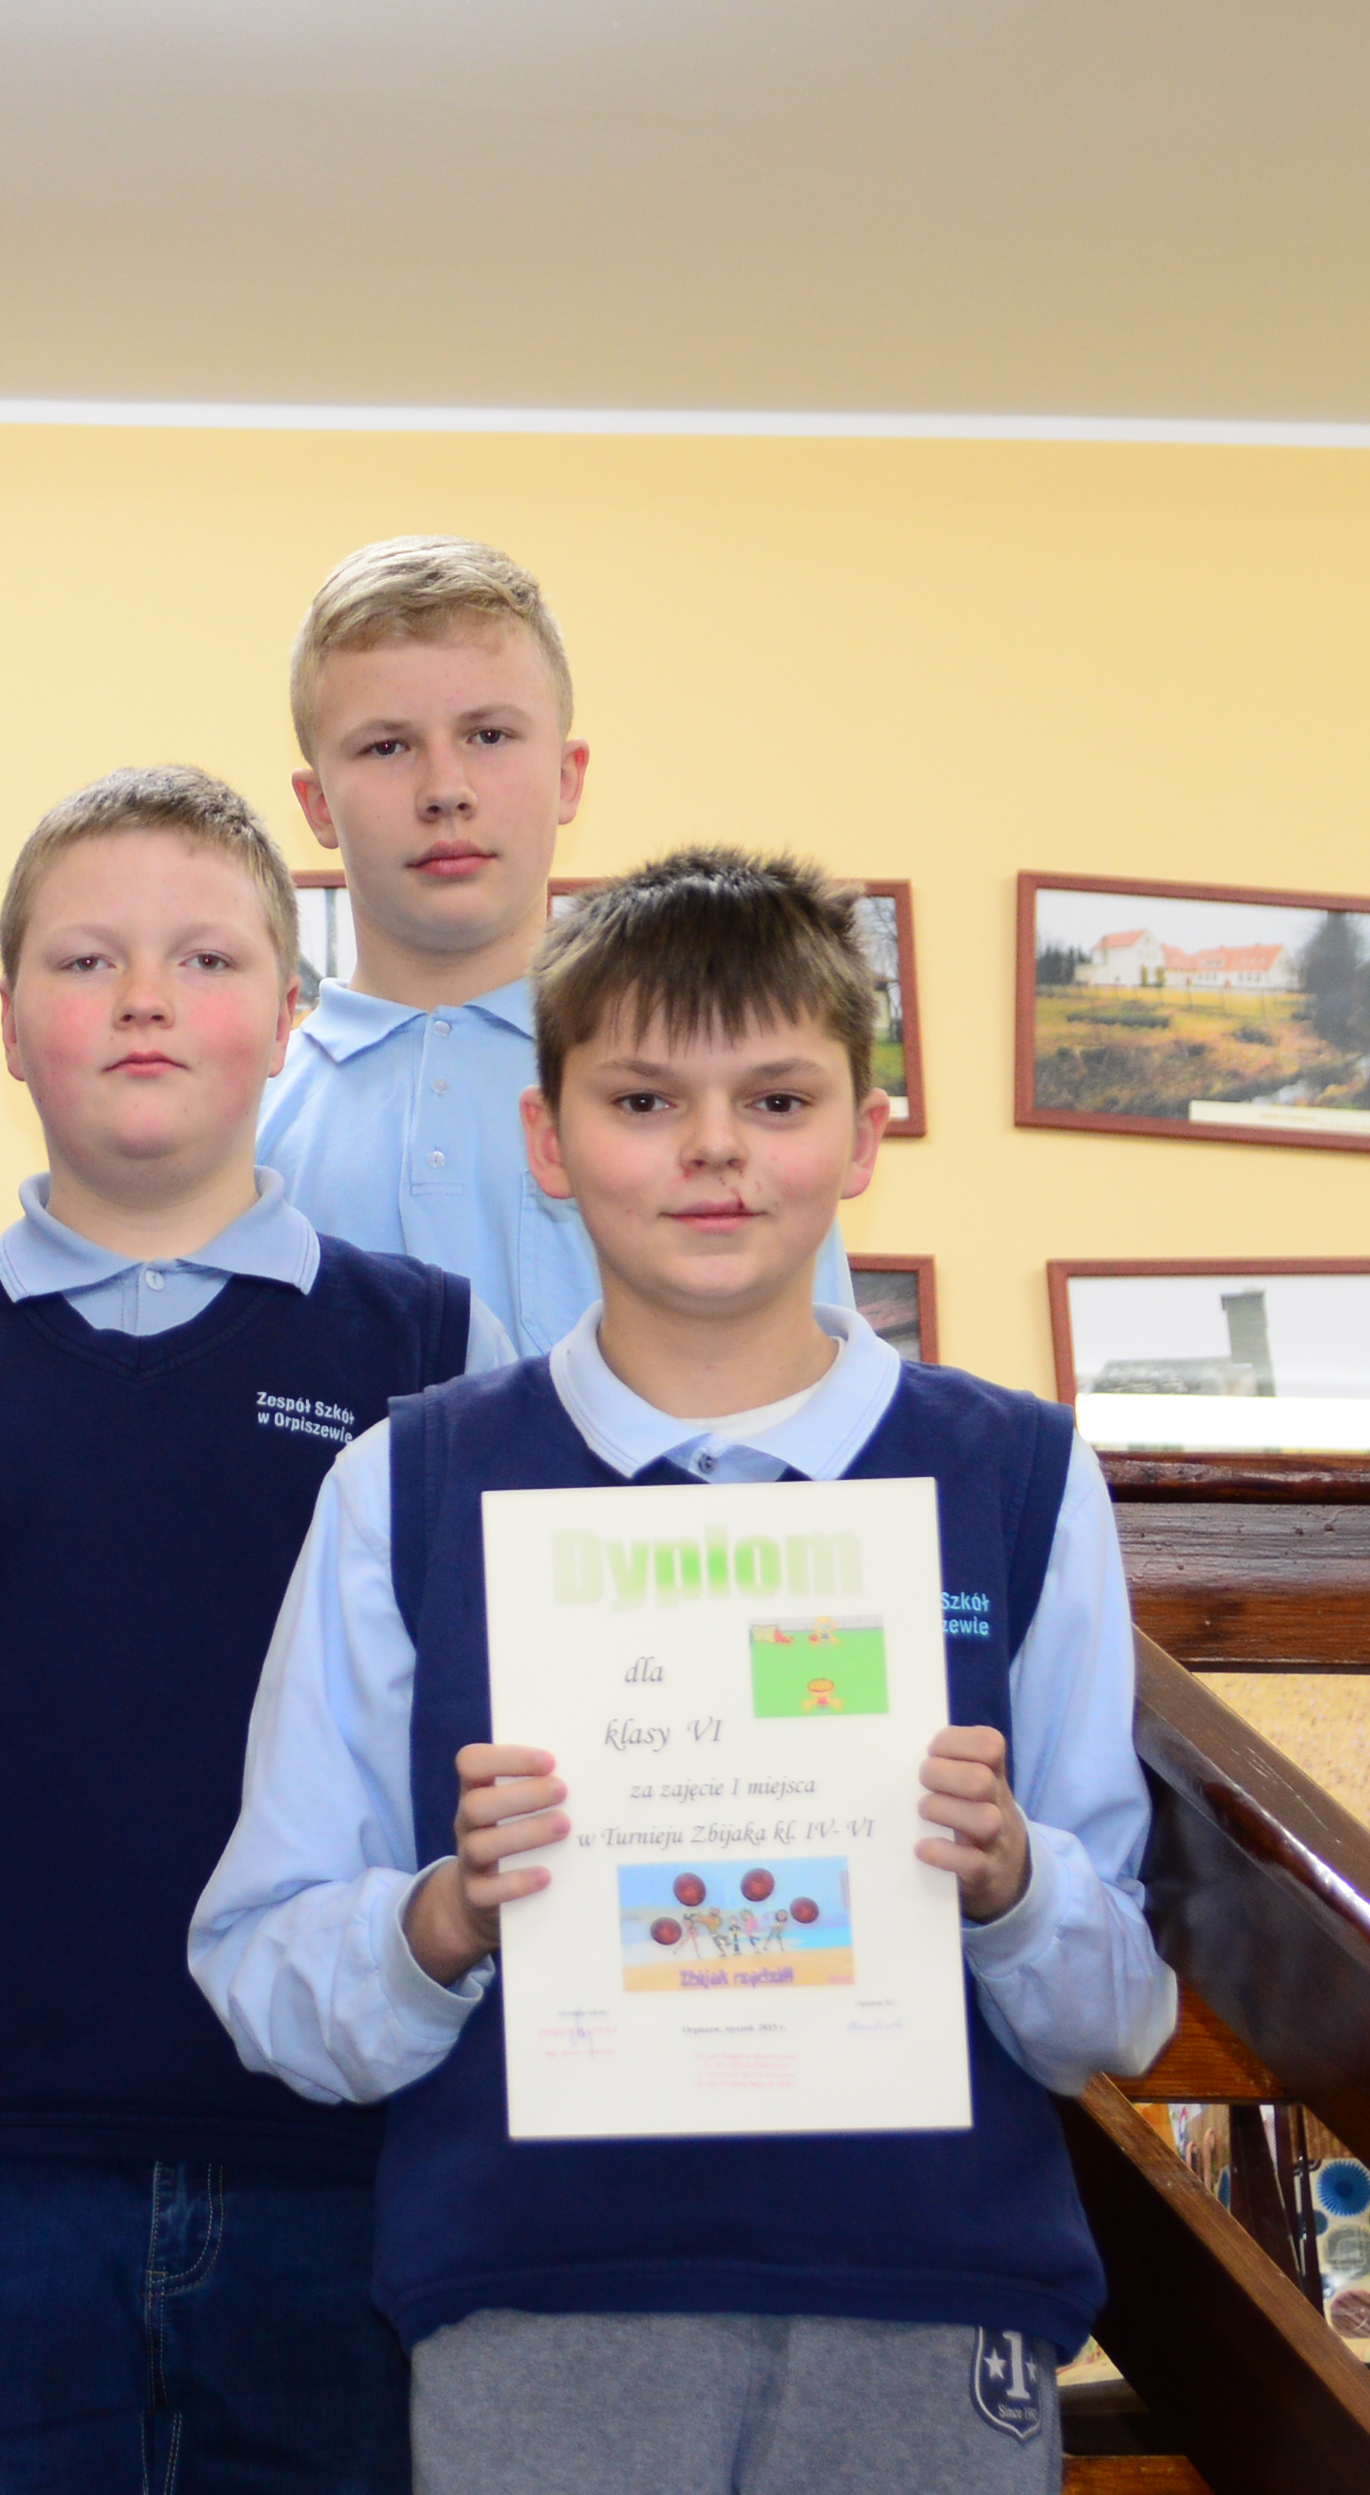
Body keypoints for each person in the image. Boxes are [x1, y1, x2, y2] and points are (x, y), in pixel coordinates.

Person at [190, 849, 1176, 2495]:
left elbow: (1121, 2009)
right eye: (644, 1102)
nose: (713, 1150)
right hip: (540, 2309)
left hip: (926, 2300)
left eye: (776, 1101)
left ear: (863, 1136)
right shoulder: (407, 1485)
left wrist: (1012, 1883)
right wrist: (446, 1916)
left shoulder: (1014, 1478)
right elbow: (264, 1969)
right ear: (547, 1141)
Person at [0, 768, 508, 2495]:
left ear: (289, 1015)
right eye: (87, 961)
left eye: (204, 959)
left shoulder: (437, 1363)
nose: (145, 998)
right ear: (5, 1025)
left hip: (350, 2192)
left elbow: (501, 1812)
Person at [256, 535, 847, 1355]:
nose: (446, 790)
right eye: (387, 746)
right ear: (318, 804)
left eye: (490, 735)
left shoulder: (706, 1098)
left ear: (568, 777)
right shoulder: (246, 1119)